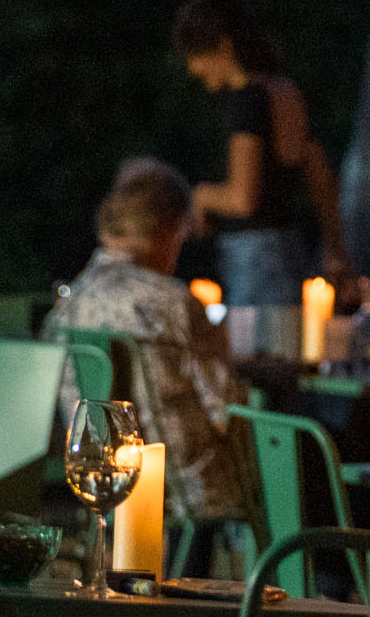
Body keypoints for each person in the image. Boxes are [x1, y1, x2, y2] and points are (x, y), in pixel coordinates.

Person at [44, 158, 247, 537]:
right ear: (169, 230)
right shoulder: (173, 302)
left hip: (101, 480)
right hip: (185, 488)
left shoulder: (68, 305)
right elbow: (226, 408)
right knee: (305, 459)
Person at [171, 0, 349, 303]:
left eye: (195, 55)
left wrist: (201, 196)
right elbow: (319, 178)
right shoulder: (286, 91)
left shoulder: (247, 103)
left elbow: (243, 199)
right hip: (291, 248)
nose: (192, 68)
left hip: (254, 257)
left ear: (223, 45)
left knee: (254, 337)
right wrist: (336, 245)